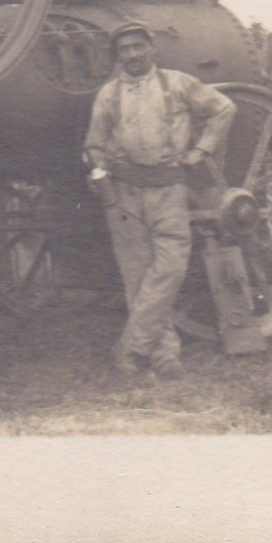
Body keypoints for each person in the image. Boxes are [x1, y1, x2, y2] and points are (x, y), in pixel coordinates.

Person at [83, 20, 236, 379]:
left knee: (169, 269)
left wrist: (201, 150)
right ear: (117, 56)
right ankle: (165, 356)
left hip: (169, 189)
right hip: (124, 195)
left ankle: (130, 347)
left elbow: (224, 109)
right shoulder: (109, 95)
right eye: (125, 50)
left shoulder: (178, 84)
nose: (132, 55)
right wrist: (99, 173)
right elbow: (93, 145)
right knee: (138, 276)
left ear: (152, 49)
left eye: (138, 47)